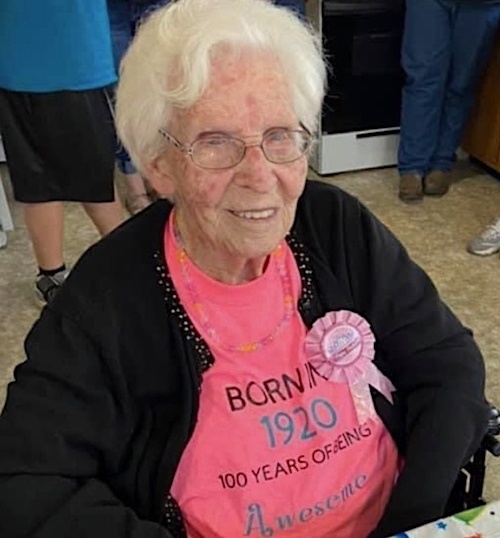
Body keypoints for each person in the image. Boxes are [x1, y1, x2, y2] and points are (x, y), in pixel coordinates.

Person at [0, 1, 489, 537]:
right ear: (159, 165)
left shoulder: (334, 226)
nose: (260, 175)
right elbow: (26, 482)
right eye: (216, 142)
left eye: (280, 135)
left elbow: (446, 363)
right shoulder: (108, 293)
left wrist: (409, 523)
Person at [0, 0, 124, 302]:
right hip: (32, 57)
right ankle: (53, 273)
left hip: (69, 56)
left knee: (91, 177)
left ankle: (130, 261)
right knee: (39, 180)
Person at [397, 0, 500, 203]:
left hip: (483, 5)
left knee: (462, 83)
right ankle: (412, 167)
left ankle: (441, 162)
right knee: (422, 78)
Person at [107, 0, 171, 215]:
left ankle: (160, 172)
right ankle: (135, 186)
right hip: (109, 8)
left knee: (164, 89)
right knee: (121, 93)